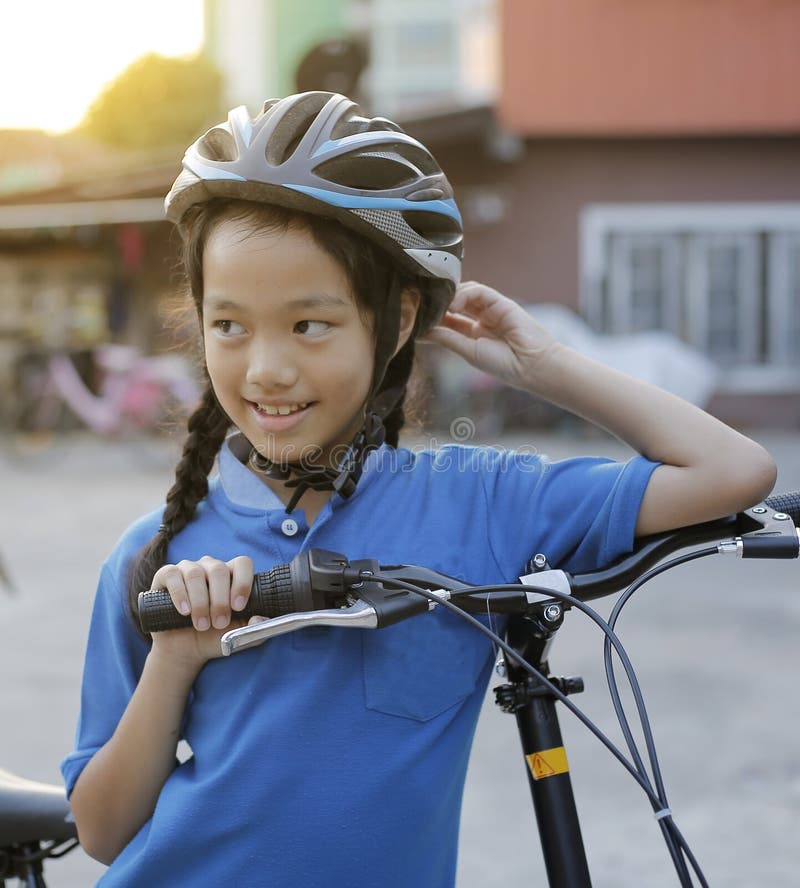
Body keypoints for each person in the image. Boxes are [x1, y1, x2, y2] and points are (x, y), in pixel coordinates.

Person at [61, 92, 776, 887]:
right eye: (229, 325)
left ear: (397, 323)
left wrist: (544, 366)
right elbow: (102, 830)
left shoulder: (477, 503)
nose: (265, 368)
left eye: (308, 325)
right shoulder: (154, 557)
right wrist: (176, 656)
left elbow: (731, 473)